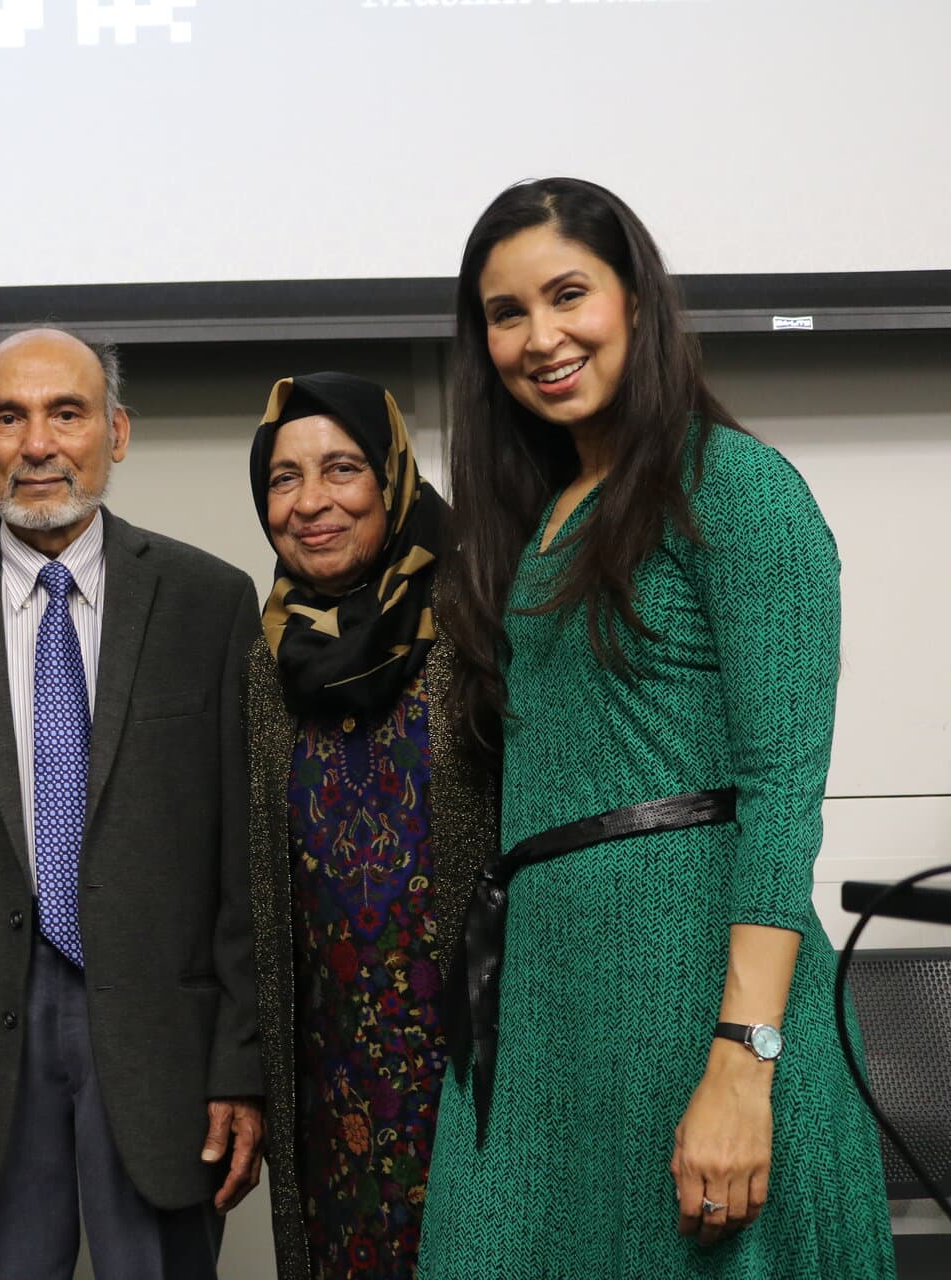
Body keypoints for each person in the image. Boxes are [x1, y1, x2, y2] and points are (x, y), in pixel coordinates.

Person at [415, 177, 894, 1277]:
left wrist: (742, 1060)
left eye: (567, 294)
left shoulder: (735, 485)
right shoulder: (536, 519)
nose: (541, 338)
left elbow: (781, 797)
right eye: (505, 313)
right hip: (548, 1007)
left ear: (635, 297)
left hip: (696, 1003)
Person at [0, 327, 265, 1279]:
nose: (38, 444)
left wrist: (241, 1061)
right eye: (6, 418)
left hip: (165, 1047)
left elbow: (243, 860)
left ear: (117, 432)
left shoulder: (210, 601)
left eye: (67, 413)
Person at [241, 373, 496, 1280]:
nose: (310, 502)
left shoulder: (484, 619)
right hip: (329, 1075)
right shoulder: (265, 657)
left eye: (342, 469)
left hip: (476, 1058)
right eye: (284, 478)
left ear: (392, 478)